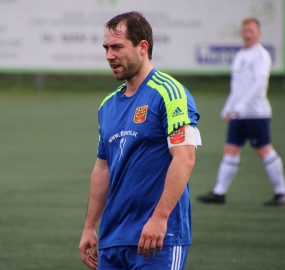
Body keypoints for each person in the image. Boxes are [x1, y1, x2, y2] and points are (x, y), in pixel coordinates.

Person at [78, 12, 201, 270]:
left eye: (117, 47)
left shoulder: (170, 94)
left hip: (158, 239)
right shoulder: (107, 104)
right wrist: (90, 227)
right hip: (113, 240)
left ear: (142, 47)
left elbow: (185, 157)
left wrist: (159, 218)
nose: (109, 55)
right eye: (106, 48)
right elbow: (103, 167)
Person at [197, 18, 285, 206]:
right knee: (230, 150)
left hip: (256, 113)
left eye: (251, 31)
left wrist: (242, 105)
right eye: (245, 30)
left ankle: (281, 191)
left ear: (259, 33)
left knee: (264, 150)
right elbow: (237, 87)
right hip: (239, 114)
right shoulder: (240, 55)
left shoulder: (261, 55)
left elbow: (260, 83)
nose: (247, 34)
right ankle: (219, 192)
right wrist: (229, 107)